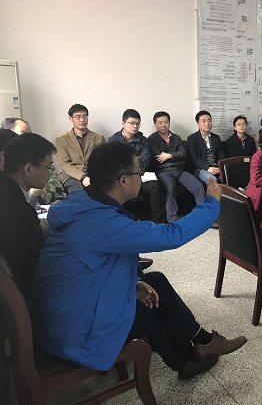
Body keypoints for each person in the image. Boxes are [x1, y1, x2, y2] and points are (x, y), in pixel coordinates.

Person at [30, 142, 247, 380]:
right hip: (76, 330)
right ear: (123, 180)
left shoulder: (82, 202)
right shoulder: (102, 221)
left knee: (154, 282)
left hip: (66, 311)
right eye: (138, 172)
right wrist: (211, 203)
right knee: (151, 309)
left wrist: (132, 283)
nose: (142, 177)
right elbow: (171, 235)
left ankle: (199, 346)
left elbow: (93, 263)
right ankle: (190, 358)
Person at [0, 133, 55, 301]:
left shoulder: (8, 192)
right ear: (28, 169)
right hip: (24, 296)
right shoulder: (16, 211)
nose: (51, 173)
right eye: (49, 167)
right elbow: (37, 264)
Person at [147, 111, 206, 222]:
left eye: (166, 122)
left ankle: (203, 216)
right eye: (160, 122)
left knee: (198, 186)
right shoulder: (152, 139)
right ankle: (173, 220)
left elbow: (184, 154)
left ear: (169, 123)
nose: (163, 125)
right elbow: (157, 158)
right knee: (169, 189)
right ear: (155, 124)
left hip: (180, 170)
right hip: (163, 172)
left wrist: (168, 156)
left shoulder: (176, 137)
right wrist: (175, 156)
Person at [109, 109, 163, 223]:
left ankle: (156, 221)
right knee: (122, 187)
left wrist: (130, 164)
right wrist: (134, 161)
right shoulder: (113, 140)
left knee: (154, 187)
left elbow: (145, 160)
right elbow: (115, 163)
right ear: (123, 123)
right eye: (132, 123)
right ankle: (124, 221)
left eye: (138, 123)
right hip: (122, 177)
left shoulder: (143, 140)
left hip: (140, 174)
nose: (135, 126)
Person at [55, 104, 106, 193]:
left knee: (102, 193)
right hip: (72, 177)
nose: (82, 120)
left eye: (84, 116)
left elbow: (104, 160)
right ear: (70, 118)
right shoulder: (61, 139)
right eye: (78, 117)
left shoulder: (98, 138)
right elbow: (64, 164)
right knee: (79, 194)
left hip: (94, 175)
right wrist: (83, 177)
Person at [187, 110, 225, 183]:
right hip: (201, 169)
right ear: (198, 124)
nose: (207, 123)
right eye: (203, 121)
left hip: (216, 167)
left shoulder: (216, 137)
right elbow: (194, 159)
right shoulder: (192, 138)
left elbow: (221, 155)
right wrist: (208, 167)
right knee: (213, 180)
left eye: (209, 120)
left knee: (226, 177)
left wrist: (219, 167)